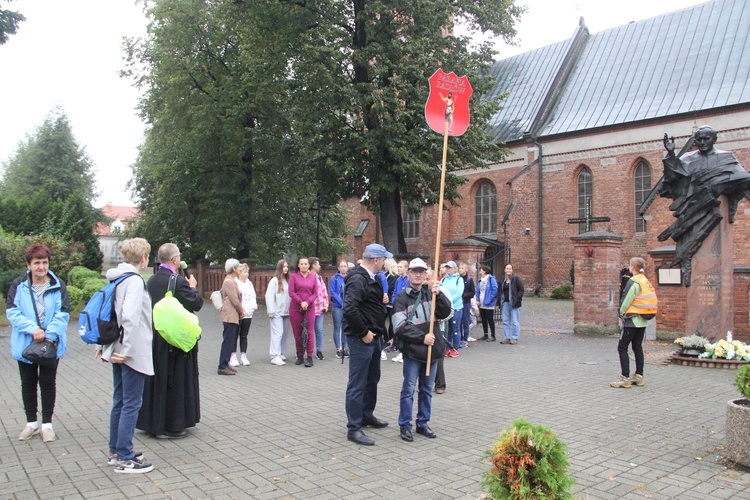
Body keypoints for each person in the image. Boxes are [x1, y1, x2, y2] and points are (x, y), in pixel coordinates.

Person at [659, 126, 750, 286]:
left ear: (714, 139)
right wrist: (671, 155)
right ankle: (685, 251)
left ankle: (680, 236)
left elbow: (742, 179)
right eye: (698, 139)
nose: (702, 142)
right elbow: (672, 180)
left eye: (706, 138)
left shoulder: (726, 157)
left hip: (712, 202)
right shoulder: (688, 158)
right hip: (693, 204)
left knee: (720, 185)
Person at [137, 243, 203, 439]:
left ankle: (154, 422)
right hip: (175, 338)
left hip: (156, 336)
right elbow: (196, 304)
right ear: (175, 260)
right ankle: (174, 424)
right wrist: (193, 288)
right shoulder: (179, 281)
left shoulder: (151, 280)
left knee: (157, 379)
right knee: (176, 380)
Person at [99, 238, 154, 473]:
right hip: (130, 351)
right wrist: (128, 350)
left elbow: (112, 314)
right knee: (132, 402)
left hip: (116, 346)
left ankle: (116, 450)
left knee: (120, 401)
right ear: (143, 258)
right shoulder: (133, 281)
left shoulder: (117, 277)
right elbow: (130, 316)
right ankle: (124, 456)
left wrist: (109, 347)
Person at [7, 243, 70, 443]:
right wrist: (33, 329)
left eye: (44, 262)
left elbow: (63, 313)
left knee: (48, 383)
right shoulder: (19, 285)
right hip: (25, 343)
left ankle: (47, 424)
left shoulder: (57, 284)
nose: (41, 267)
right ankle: (31, 423)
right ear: (29, 265)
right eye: (37, 263)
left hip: (51, 344)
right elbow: (12, 312)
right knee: (28, 383)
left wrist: (49, 334)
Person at [393, 258, 452, 441]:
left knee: (426, 390)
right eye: (414, 271)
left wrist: (439, 294)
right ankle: (405, 425)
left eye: (421, 271)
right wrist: (422, 337)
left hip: (432, 352)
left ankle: (423, 423)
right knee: (408, 390)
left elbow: (444, 313)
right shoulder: (401, 298)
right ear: (409, 273)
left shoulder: (430, 293)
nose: (418, 275)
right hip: (413, 352)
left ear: (426, 274)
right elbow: (399, 326)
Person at [344, 243, 392, 445]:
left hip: (374, 337)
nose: (384, 263)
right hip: (361, 339)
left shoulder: (372, 278)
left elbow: (364, 305)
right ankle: (354, 428)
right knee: (358, 383)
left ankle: (366, 415)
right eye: (383, 260)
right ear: (376, 260)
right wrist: (363, 332)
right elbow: (349, 309)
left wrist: (380, 300)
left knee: (372, 379)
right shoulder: (357, 278)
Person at [611, 257, 657, 388]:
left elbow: (627, 299)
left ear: (632, 267)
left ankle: (625, 378)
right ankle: (639, 376)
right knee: (637, 348)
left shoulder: (633, 281)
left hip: (632, 320)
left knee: (622, 348)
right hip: (643, 320)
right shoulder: (645, 281)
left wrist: (621, 312)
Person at [288, 256, 318, 367]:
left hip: (309, 307)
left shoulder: (313, 278)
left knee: (309, 332)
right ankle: (300, 355)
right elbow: (291, 292)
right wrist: (301, 302)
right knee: (298, 332)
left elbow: (315, 293)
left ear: (309, 265)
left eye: (306, 264)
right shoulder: (293, 277)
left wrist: (308, 302)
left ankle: (309, 356)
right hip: (296, 307)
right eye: (302, 264)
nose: (304, 265)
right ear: (298, 265)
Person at [218, 259, 244, 375]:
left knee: (230, 340)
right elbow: (235, 300)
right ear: (233, 269)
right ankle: (222, 366)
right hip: (230, 315)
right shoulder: (229, 282)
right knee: (228, 340)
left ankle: (226, 363)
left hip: (232, 315)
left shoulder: (231, 281)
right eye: (238, 267)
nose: (240, 269)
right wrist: (242, 310)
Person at [266, 260, 292, 366]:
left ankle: (281, 352)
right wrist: (271, 311)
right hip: (276, 312)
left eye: (287, 266)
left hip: (287, 311)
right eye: (283, 267)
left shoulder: (288, 280)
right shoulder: (274, 281)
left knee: (285, 333)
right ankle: (274, 355)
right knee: (278, 333)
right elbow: (269, 296)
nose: (285, 268)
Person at [231, 263, 257, 367]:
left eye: (247, 272)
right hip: (238, 312)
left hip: (248, 312)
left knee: (244, 335)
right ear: (239, 273)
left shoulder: (249, 283)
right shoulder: (235, 283)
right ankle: (232, 355)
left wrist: (254, 306)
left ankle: (243, 355)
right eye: (244, 272)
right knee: (235, 334)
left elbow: (253, 296)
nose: (247, 274)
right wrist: (240, 310)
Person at [440, 261, 464, 356]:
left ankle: (455, 348)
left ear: (455, 269)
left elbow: (459, 293)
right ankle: (447, 348)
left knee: (455, 328)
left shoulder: (459, 279)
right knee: (447, 329)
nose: (448, 269)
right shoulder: (443, 279)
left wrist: (449, 300)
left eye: (450, 267)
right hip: (446, 308)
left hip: (456, 307)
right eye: (447, 267)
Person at [498, 264, 524, 345]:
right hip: (505, 302)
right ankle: (507, 337)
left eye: (510, 269)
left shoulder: (516, 279)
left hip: (514, 303)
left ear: (512, 270)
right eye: (507, 269)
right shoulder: (502, 279)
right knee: (505, 321)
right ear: (504, 270)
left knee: (515, 321)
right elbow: (499, 291)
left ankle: (515, 337)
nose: (508, 270)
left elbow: (521, 289)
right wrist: (498, 302)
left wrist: (517, 299)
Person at [309, 257, 329, 360]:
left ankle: (319, 350)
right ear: (313, 265)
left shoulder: (319, 278)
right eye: (318, 264)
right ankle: (307, 350)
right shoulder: (306, 277)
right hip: (310, 309)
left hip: (320, 309)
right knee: (308, 331)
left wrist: (325, 305)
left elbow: (324, 292)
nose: (319, 266)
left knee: (319, 330)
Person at [330, 259, 349, 359]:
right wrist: (341, 303)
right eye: (341, 266)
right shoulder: (334, 278)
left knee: (345, 327)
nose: (343, 268)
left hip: (348, 307)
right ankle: (338, 348)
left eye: (345, 266)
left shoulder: (350, 278)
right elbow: (333, 292)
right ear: (338, 268)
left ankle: (345, 347)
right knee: (337, 327)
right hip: (337, 307)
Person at [475, 266, 498, 341]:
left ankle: (493, 335)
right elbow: (478, 291)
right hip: (481, 303)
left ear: (484, 271)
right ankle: (485, 334)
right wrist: (477, 299)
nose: (480, 272)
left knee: (490, 319)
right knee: (483, 319)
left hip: (488, 303)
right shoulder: (480, 280)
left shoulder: (491, 279)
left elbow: (495, 290)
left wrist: (489, 299)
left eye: (481, 270)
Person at [459, 262, 476, 343]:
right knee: (459, 321)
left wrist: (464, 295)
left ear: (466, 270)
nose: (460, 270)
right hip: (458, 303)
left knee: (465, 321)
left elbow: (472, 292)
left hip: (466, 302)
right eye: (460, 268)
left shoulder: (469, 279)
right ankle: (459, 338)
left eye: (462, 268)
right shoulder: (457, 279)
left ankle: (465, 338)